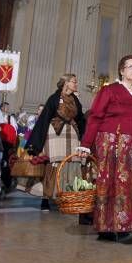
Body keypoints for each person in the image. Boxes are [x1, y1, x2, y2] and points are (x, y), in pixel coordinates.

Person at [81, 55, 132, 244]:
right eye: (130, 66)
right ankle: (108, 227)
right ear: (122, 71)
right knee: (110, 184)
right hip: (111, 143)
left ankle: (128, 225)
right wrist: (85, 143)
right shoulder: (109, 90)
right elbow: (95, 117)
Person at [25, 74, 86, 212]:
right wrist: (35, 144)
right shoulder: (53, 99)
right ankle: (45, 199)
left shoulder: (75, 99)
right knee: (53, 166)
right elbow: (44, 119)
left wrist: (85, 138)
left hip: (72, 135)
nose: (76, 84)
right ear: (65, 83)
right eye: (73, 82)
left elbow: (81, 119)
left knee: (71, 165)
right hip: (55, 135)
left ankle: (67, 198)